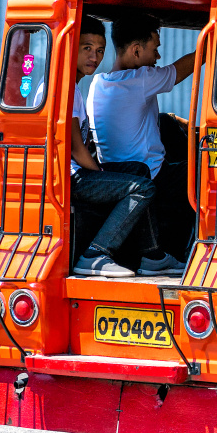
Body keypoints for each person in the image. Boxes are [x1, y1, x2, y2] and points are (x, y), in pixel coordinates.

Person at [67, 15, 180, 277]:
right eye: (86, 49)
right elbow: (75, 148)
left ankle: (152, 255)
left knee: (138, 170)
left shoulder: (87, 86)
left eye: (99, 51)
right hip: (75, 177)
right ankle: (95, 254)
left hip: (77, 172)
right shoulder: (69, 91)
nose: (94, 57)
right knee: (143, 187)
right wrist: (101, 176)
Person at [87, 13, 194, 266]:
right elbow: (181, 70)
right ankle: (194, 251)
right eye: (154, 49)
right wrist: (212, 40)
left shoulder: (97, 84)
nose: (158, 57)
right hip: (151, 175)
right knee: (202, 169)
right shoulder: (142, 79)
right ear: (136, 51)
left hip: (116, 172)